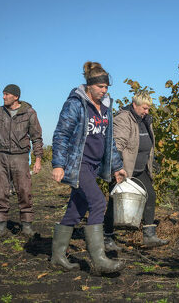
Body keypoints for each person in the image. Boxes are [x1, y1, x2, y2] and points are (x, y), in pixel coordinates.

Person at [50, 62, 127, 274]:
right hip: (79, 163)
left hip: (94, 165)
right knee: (98, 201)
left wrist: (116, 167)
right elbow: (61, 134)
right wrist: (58, 164)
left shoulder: (106, 108)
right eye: (100, 87)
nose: (104, 91)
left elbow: (109, 141)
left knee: (76, 209)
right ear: (90, 85)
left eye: (106, 87)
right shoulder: (76, 104)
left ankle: (57, 257)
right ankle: (99, 260)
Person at [103, 90, 169, 249]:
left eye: (149, 109)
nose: (147, 112)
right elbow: (117, 144)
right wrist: (116, 167)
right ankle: (106, 237)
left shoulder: (145, 120)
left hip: (140, 169)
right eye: (144, 108)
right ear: (135, 105)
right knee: (115, 202)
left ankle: (149, 235)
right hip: (123, 169)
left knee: (150, 196)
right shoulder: (124, 119)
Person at [0, 84, 43, 238]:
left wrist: (37, 159)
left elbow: (36, 138)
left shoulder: (29, 113)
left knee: (24, 191)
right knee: (0, 191)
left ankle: (26, 227)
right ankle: (1, 228)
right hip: (0, 156)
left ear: (16, 96)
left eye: (6, 94)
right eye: (3, 94)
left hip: (20, 157)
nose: (3, 97)